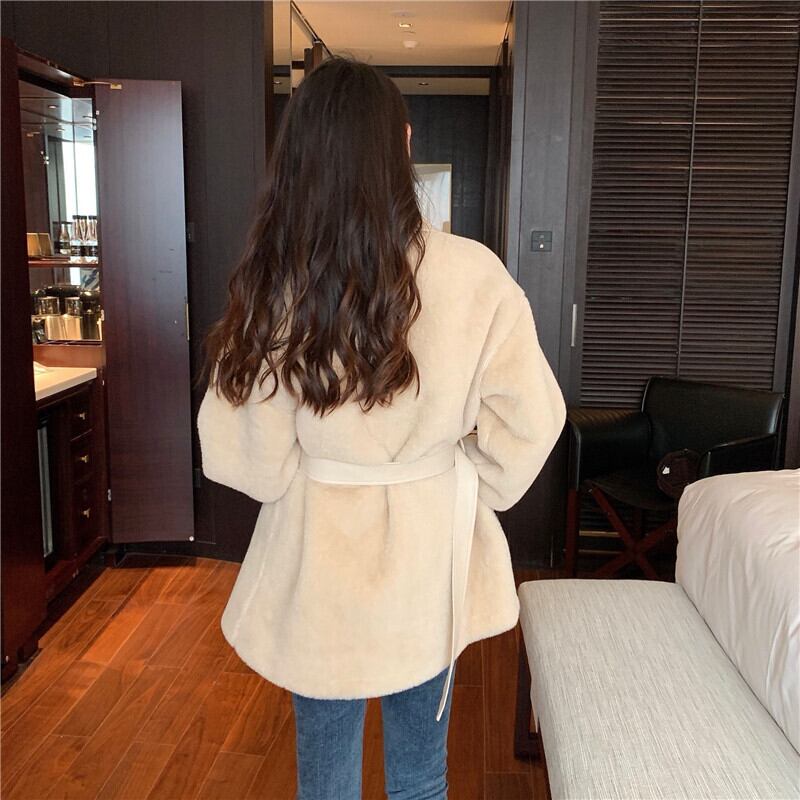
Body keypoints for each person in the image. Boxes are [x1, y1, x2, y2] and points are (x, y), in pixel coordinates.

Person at [196, 56, 566, 800]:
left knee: (325, 777)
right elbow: (533, 417)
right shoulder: (475, 274)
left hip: (319, 561)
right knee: (422, 774)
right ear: (402, 143)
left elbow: (252, 463)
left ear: (299, 155)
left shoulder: (278, 284)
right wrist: (465, 478)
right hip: (429, 555)